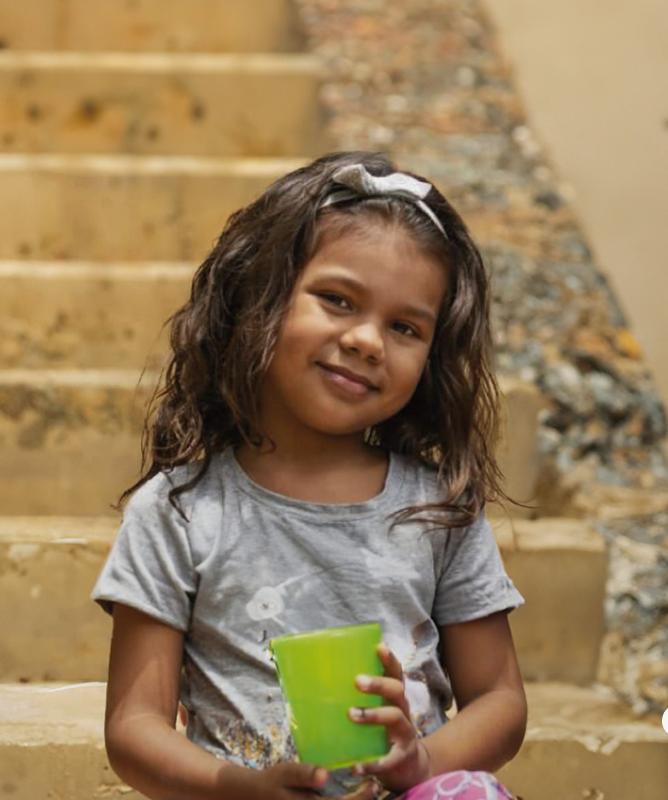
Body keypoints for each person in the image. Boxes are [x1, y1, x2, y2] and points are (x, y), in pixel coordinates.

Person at [91, 151, 528, 800]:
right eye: (337, 300)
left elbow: (500, 700)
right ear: (259, 297)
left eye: (405, 327)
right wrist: (239, 790)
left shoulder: (437, 508)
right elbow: (134, 727)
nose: (367, 341)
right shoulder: (180, 511)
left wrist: (423, 761)